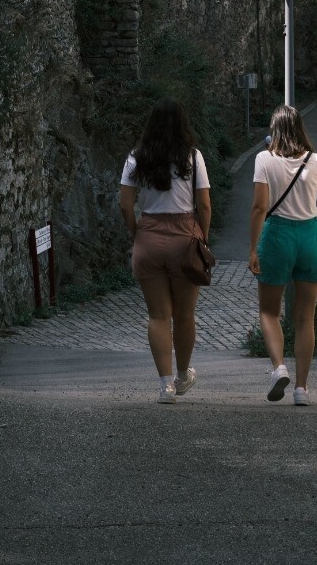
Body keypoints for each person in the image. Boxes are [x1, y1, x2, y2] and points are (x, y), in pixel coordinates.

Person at [249, 104, 317, 406]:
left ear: (275, 130)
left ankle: (279, 367)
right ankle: (301, 389)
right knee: (305, 318)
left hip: (277, 236)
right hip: (310, 236)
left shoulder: (264, 159)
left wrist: (252, 248)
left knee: (269, 311)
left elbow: (259, 208)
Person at [119, 97, 212, 404]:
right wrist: (202, 237)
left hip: (149, 236)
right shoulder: (192, 157)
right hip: (184, 237)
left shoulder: (136, 158)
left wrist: (139, 233)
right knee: (184, 316)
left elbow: (125, 204)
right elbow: (204, 204)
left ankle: (165, 386)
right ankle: (183, 376)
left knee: (158, 316)